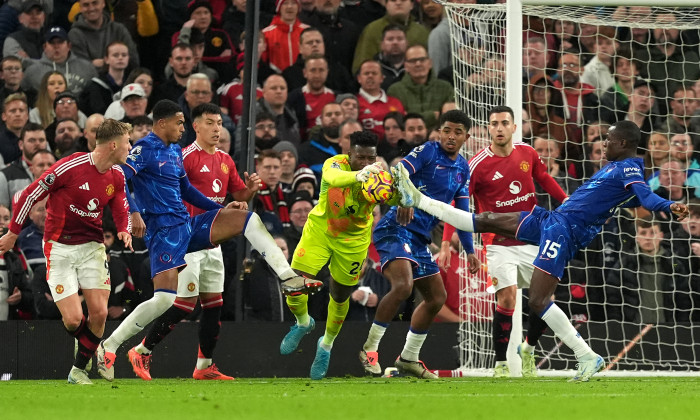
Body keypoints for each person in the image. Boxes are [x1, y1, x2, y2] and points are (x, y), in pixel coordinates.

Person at [393, 120, 690, 381]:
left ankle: (585, 356)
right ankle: (416, 198)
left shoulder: (629, 167)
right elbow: (623, 198)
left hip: (564, 231)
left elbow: (646, 198)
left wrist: (667, 205)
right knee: (485, 220)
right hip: (550, 219)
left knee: (537, 299)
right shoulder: (616, 167)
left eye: (608, 140)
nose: (603, 145)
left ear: (623, 144)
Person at [96, 100, 320, 382]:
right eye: (179, 123)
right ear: (162, 123)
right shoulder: (143, 149)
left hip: (188, 225)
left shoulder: (175, 152)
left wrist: (220, 211)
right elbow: (120, 179)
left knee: (246, 219)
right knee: (166, 300)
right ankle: (111, 345)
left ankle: (288, 277)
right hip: (164, 232)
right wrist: (135, 213)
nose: (182, 128)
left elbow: (187, 190)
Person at [125, 103, 261, 381]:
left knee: (214, 304)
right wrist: (135, 210)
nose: (216, 128)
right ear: (196, 126)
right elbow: (170, 188)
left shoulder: (226, 159)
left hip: (213, 241)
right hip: (186, 237)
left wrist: (249, 191)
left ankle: (205, 366)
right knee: (183, 304)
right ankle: (142, 349)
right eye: (210, 122)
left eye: (220, 123)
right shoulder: (183, 155)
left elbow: (236, 198)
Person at [0, 118, 133, 385]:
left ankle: (78, 370)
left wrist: (124, 228)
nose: (131, 147)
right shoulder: (71, 166)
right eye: (128, 142)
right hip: (59, 247)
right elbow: (28, 195)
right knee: (74, 320)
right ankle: (89, 343)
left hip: (92, 247)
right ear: (114, 144)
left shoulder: (117, 174)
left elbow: (120, 204)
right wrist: (13, 232)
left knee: (100, 313)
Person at [439, 106, 568, 378]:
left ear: (514, 127)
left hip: (532, 236)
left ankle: (529, 348)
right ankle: (500, 364)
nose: (498, 128)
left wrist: (567, 203)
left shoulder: (527, 154)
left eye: (504, 123)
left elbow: (544, 179)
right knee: (507, 298)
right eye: (493, 123)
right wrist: (444, 242)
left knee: (544, 297)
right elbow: (457, 204)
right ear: (488, 128)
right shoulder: (477, 164)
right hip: (497, 242)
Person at [359, 110, 478, 379]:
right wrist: (403, 200)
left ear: (466, 137)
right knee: (403, 286)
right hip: (395, 229)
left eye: (457, 132)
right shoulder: (427, 151)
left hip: (420, 238)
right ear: (439, 132)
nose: (451, 136)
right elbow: (400, 170)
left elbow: (461, 213)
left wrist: (470, 250)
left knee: (437, 298)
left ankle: (409, 357)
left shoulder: (462, 168)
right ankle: (370, 350)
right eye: (446, 130)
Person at [280, 130, 399, 380]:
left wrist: (404, 199)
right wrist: (359, 175)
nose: (366, 163)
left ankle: (326, 345)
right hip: (321, 230)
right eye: (360, 158)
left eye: (371, 159)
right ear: (349, 155)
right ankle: (303, 322)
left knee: (340, 294)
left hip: (353, 242)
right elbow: (333, 177)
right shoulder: (334, 164)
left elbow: (398, 194)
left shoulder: (380, 177)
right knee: (294, 284)